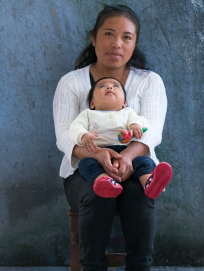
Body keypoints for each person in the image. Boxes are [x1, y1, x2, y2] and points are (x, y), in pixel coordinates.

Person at [53, 4, 168, 271]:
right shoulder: (71, 83)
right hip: (83, 170)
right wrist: (95, 154)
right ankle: (92, 266)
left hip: (134, 167)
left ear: (134, 43)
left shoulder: (150, 83)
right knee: (97, 195)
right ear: (93, 38)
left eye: (126, 37)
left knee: (140, 196)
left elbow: (153, 131)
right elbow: (63, 135)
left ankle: (140, 267)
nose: (116, 43)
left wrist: (127, 156)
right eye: (108, 34)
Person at [68, 77, 172, 199]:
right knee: (85, 163)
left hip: (126, 155)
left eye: (115, 86)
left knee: (145, 162)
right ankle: (102, 181)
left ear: (124, 103)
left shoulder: (128, 113)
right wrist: (83, 136)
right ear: (92, 103)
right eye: (102, 86)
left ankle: (148, 183)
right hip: (98, 154)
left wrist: (135, 125)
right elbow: (74, 128)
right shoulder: (87, 114)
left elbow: (143, 122)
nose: (109, 87)